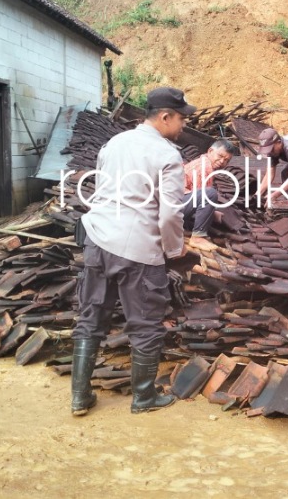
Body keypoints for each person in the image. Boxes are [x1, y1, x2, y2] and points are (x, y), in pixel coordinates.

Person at [71, 87, 194, 416]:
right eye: (181, 118)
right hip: (137, 249)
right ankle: (144, 397)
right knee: (145, 325)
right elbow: (170, 213)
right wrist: (173, 249)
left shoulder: (114, 143)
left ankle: (80, 397)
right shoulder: (168, 156)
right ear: (165, 117)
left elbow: (101, 190)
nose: (183, 124)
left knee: (90, 319)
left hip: (97, 240)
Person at [182, 139, 234, 251]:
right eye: (220, 156)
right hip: (171, 207)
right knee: (210, 194)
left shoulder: (203, 162)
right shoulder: (204, 167)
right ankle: (198, 237)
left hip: (175, 204)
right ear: (210, 151)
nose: (222, 161)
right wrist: (213, 214)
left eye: (226, 160)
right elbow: (202, 198)